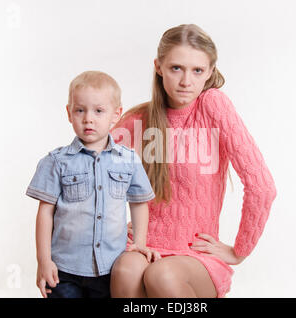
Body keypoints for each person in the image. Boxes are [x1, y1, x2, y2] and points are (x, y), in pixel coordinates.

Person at [109, 24, 277, 298]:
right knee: (125, 271)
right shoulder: (140, 119)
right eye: (176, 68)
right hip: (144, 243)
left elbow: (262, 186)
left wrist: (239, 250)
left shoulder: (213, 106)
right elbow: (92, 169)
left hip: (195, 254)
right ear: (159, 67)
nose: (186, 81)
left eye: (197, 70)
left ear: (210, 72)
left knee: (161, 274)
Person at [26, 71, 160, 298]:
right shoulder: (56, 161)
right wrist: (44, 260)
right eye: (80, 110)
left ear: (115, 114)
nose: (88, 118)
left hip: (109, 269)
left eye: (99, 111)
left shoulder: (128, 160)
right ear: (69, 113)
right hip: (64, 269)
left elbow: (138, 204)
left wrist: (139, 243)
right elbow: (45, 213)